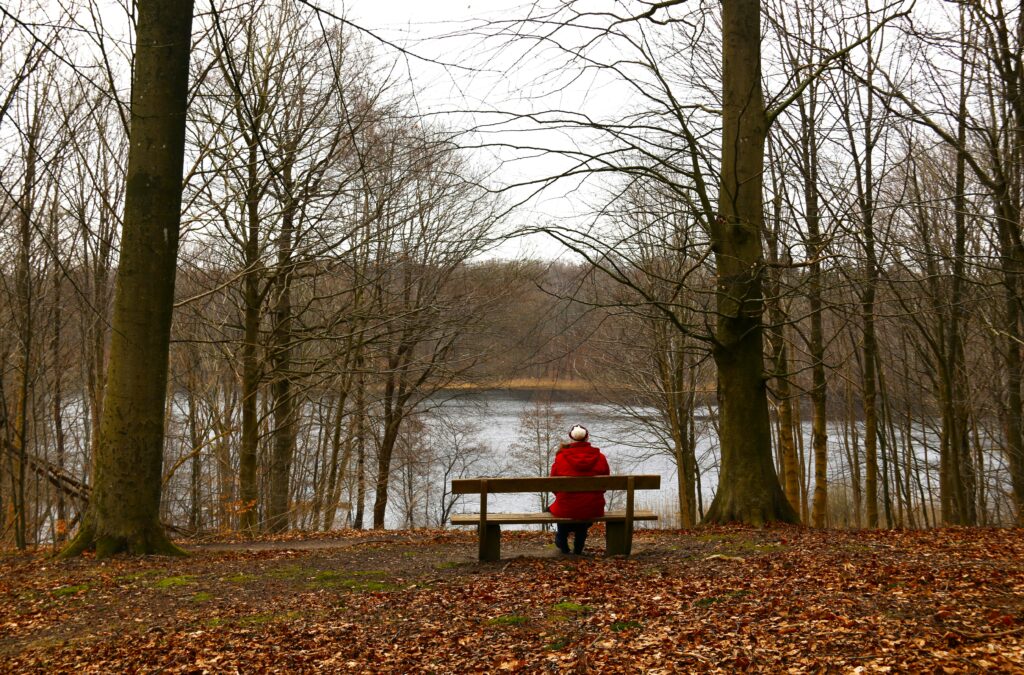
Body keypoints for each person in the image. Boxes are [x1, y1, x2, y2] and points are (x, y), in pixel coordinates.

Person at [548, 424, 610, 555]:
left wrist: (561, 495)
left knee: (564, 506)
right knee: (584, 506)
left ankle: (563, 544)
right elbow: (604, 485)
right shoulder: (600, 457)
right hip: (592, 507)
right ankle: (578, 549)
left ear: (571, 439)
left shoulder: (560, 457)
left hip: (566, 507)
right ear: (587, 438)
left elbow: (553, 484)